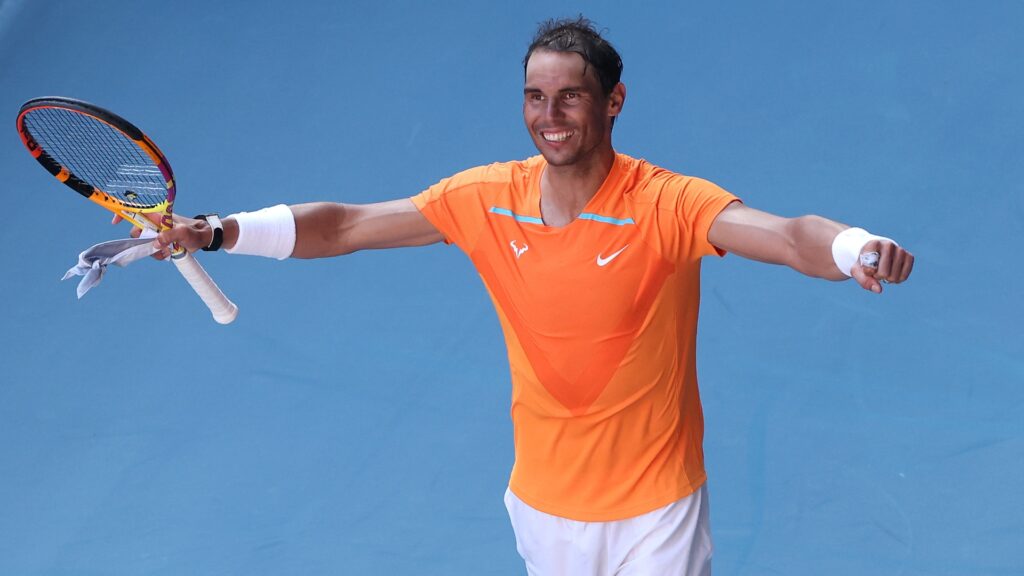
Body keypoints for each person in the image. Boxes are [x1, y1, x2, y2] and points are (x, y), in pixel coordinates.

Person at [145, 16, 914, 576]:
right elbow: (344, 226)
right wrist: (217, 231)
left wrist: (853, 247)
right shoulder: (486, 198)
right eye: (535, 98)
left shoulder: (666, 203)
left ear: (614, 102)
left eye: (571, 97)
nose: (550, 118)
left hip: (657, 510)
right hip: (544, 508)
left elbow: (788, 237)